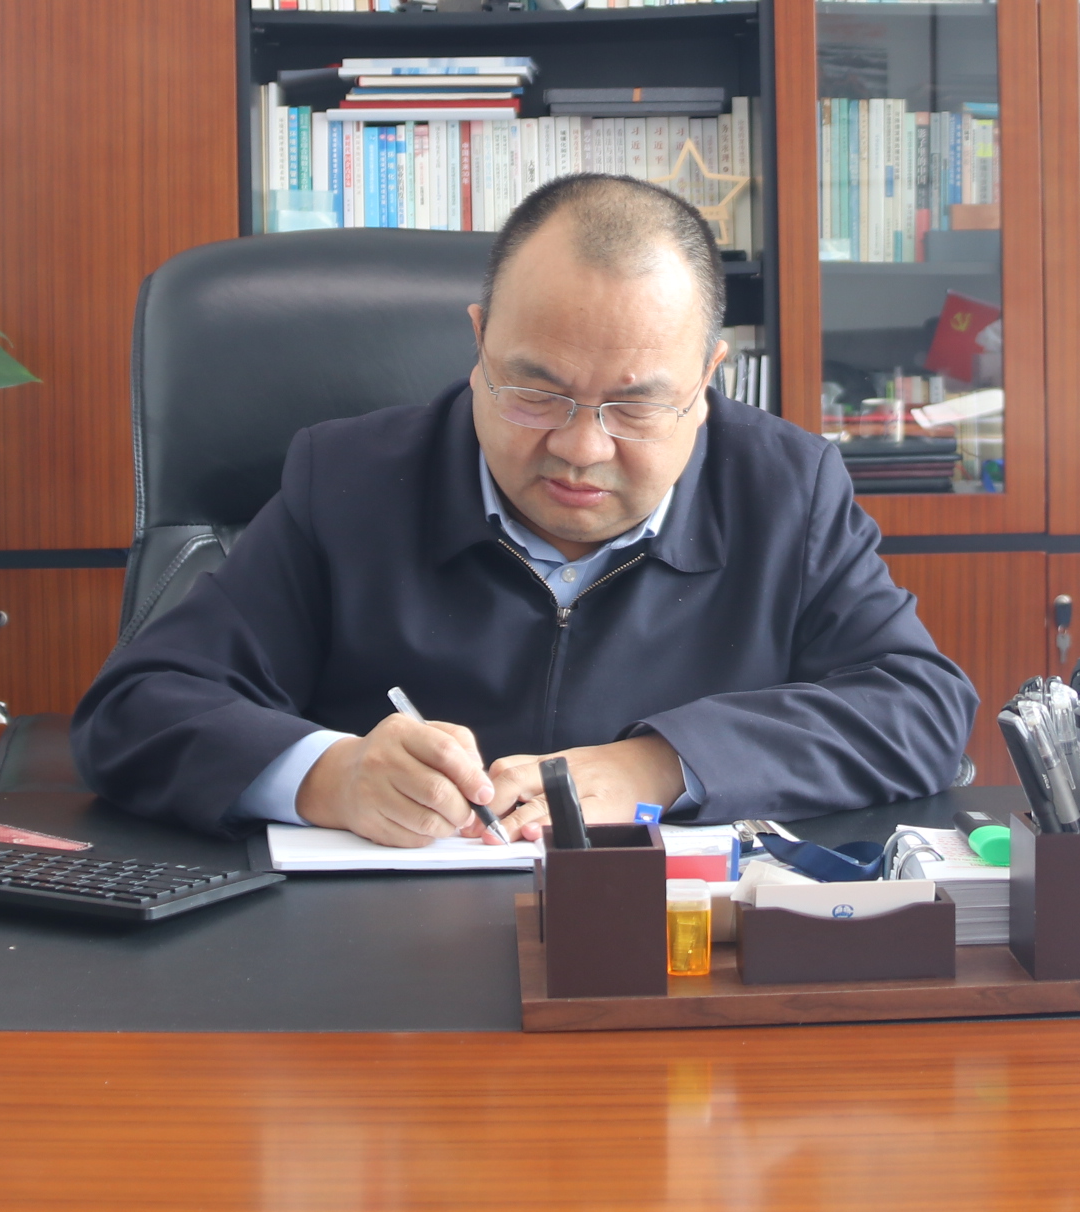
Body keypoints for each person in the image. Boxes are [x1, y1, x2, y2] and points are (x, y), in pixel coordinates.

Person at [70, 174, 977, 843]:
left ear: (707, 381)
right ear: (480, 345)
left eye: (634, 407)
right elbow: (136, 709)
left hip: (669, 967)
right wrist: (330, 776)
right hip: (381, 970)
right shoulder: (347, 480)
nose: (581, 448)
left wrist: (658, 766)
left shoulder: (785, 489)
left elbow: (921, 710)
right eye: (536, 393)